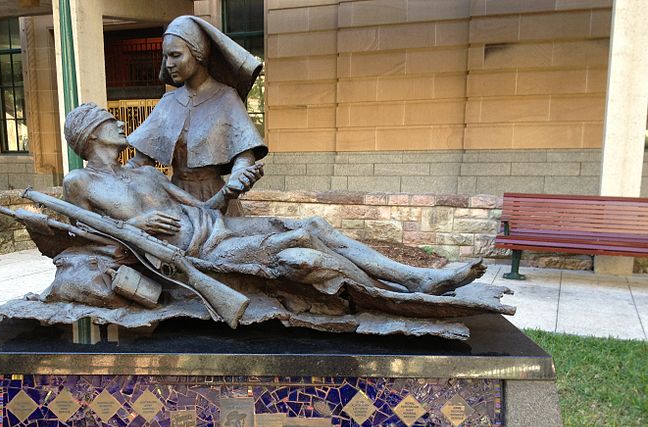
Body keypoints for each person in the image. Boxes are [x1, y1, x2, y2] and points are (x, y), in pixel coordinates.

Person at [62, 103, 485, 299]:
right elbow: (80, 238)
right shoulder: (78, 181)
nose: (120, 123)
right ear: (90, 134)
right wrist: (135, 228)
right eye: (109, 120)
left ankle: (412, 279)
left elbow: (204, 209)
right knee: (300, 244)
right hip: (192, 254)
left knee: (314, 226)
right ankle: (408, 292)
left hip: (216, 228)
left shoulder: (144, 173)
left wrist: (232, 187)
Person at [126, 15, 267, 216]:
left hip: (218, 198)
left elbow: (244, 153)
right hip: (176, 199)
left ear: (198, 53)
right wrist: (107, 173)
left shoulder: (226, 98)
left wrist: (239, 176)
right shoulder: (168, 102)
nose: (168, 64)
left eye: (175, 55)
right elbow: (140, 161)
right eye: (165, 56)